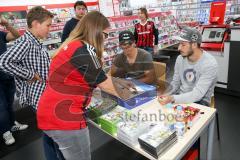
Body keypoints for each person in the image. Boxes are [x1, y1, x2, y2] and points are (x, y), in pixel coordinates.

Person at [37, 11, 135, 160]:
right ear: (95, 31)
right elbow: (106, 85)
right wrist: (138, 95)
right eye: (105, 34)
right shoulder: (84, 50)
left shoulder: (72, 45)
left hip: (50, 112)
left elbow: (95, 76)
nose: (106, 39)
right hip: (65, 118)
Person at [0, 6, 63, 160]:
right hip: (39, 98)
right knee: (54, 136)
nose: (49, 29)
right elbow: (3, 62)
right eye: (48, 25)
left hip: (43, 95)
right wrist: (29, 74)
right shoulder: (27, 42)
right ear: (35, 24)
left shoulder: (34, 41)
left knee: (49, 136)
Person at [158, 27, 218, 107]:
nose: (179, 48)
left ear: (194, 44)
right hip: (180, 96)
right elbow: (175, 83)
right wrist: (165, 94)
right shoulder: (180, 59)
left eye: (183, 44)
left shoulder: (210, 64)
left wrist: (172, 98)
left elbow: (198, 94)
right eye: (179, 44)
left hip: (200, 101)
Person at [0, 15, 28, 145]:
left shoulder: (1, 33)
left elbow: (17, 35)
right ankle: (6, 132)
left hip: (7, 74)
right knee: (1, 107)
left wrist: (6, 24)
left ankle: (11, 125)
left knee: (9, 103)